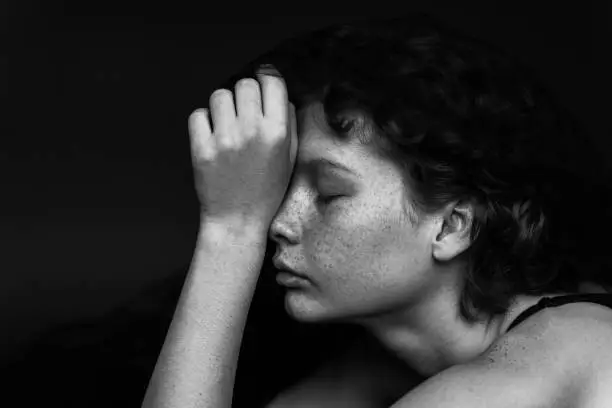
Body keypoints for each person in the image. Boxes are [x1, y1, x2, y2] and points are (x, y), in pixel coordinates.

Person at [141, 14, 612, 408]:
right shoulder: (380, 369)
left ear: (452, 226)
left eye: (328, 194)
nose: (279, 224)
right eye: (283, 191)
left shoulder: (559, 350)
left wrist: (232, 228)